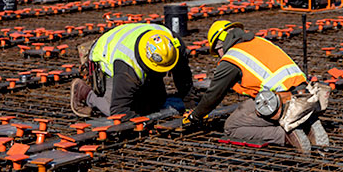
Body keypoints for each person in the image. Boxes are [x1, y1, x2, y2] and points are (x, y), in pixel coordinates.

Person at [182, 20, 329, 153]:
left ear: (219, 45)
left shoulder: (231, 58)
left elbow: (213, 96)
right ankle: (307, 121)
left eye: (217, 53)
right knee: (250, 105)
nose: (219, 56)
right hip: (306, 95)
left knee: (232, 127)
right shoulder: (260, 41)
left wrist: (195, 116)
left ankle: (286, 134)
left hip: (280, 104)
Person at [71, 22, 191, 118]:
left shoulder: (173, 44)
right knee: (113, 108)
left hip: (129, 36)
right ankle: (86, 93)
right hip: (103, 55)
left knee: (157, 103)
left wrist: (188, 102)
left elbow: (183, 75)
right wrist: (144, 121)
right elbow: (119, 110)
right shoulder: (128, 66)